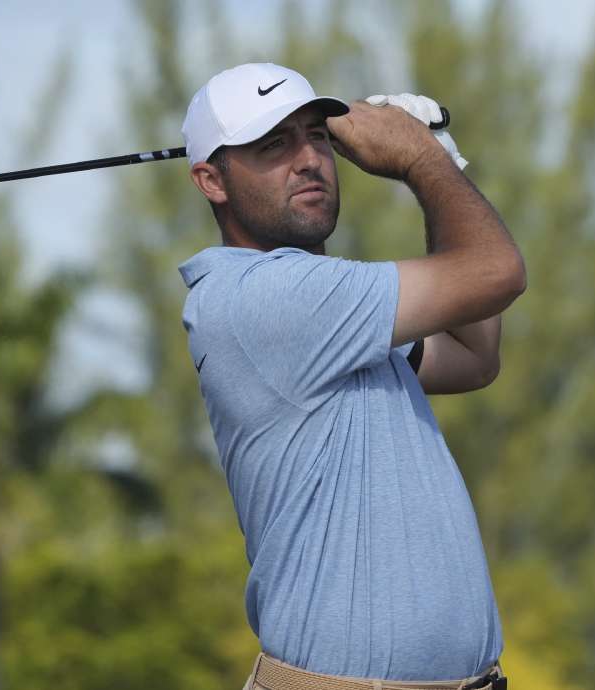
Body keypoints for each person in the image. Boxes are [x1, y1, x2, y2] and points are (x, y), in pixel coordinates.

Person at [177, 63, 525, 690]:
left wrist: (443, 162)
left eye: (317, 135)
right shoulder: (265, 299)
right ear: (211, 179)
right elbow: (495, 271)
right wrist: (421, 160)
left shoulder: (331, 314)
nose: (308, 158)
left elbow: (474, 353)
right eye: (273, 144)